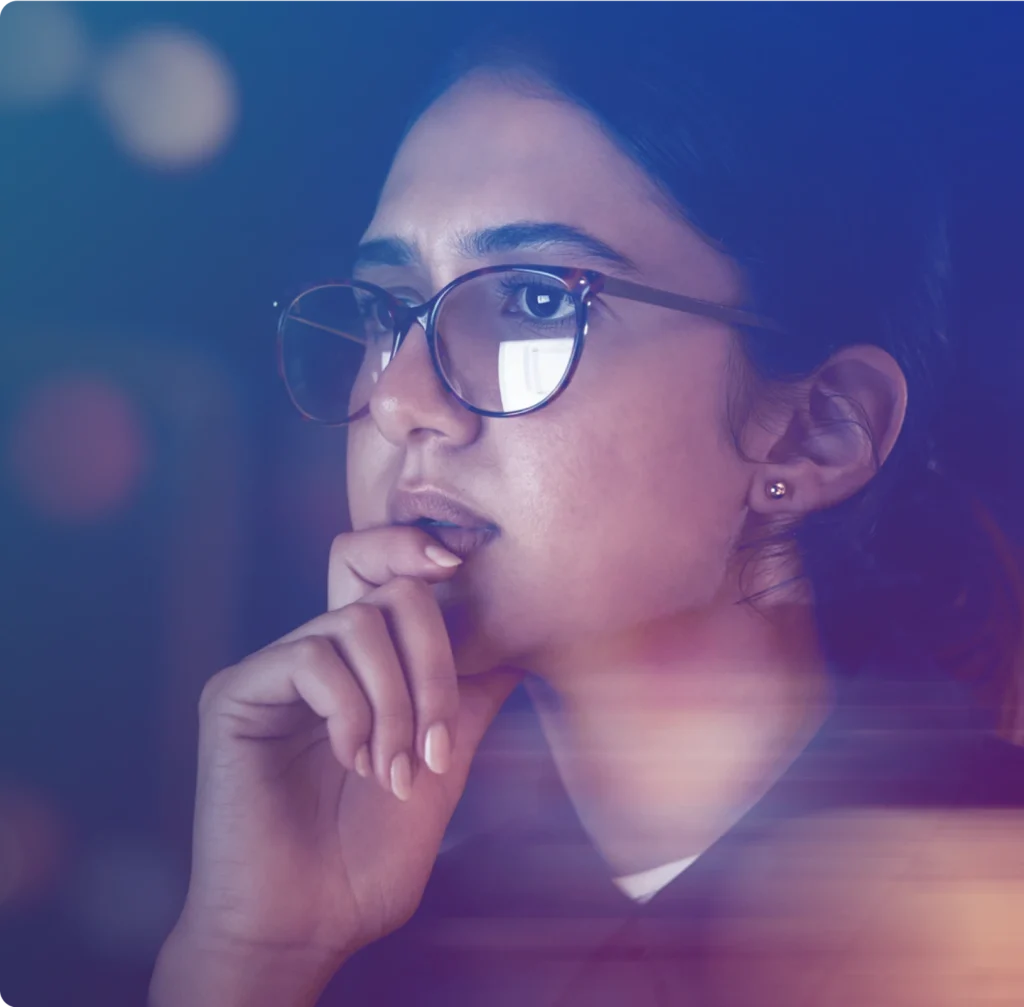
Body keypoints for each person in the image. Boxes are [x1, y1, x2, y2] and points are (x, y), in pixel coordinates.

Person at [150, 3, 1024, 1004]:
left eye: (536, 301)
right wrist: (252, 956)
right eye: (390, 311)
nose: (396, 400)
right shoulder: (372, 922)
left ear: (812, 429)